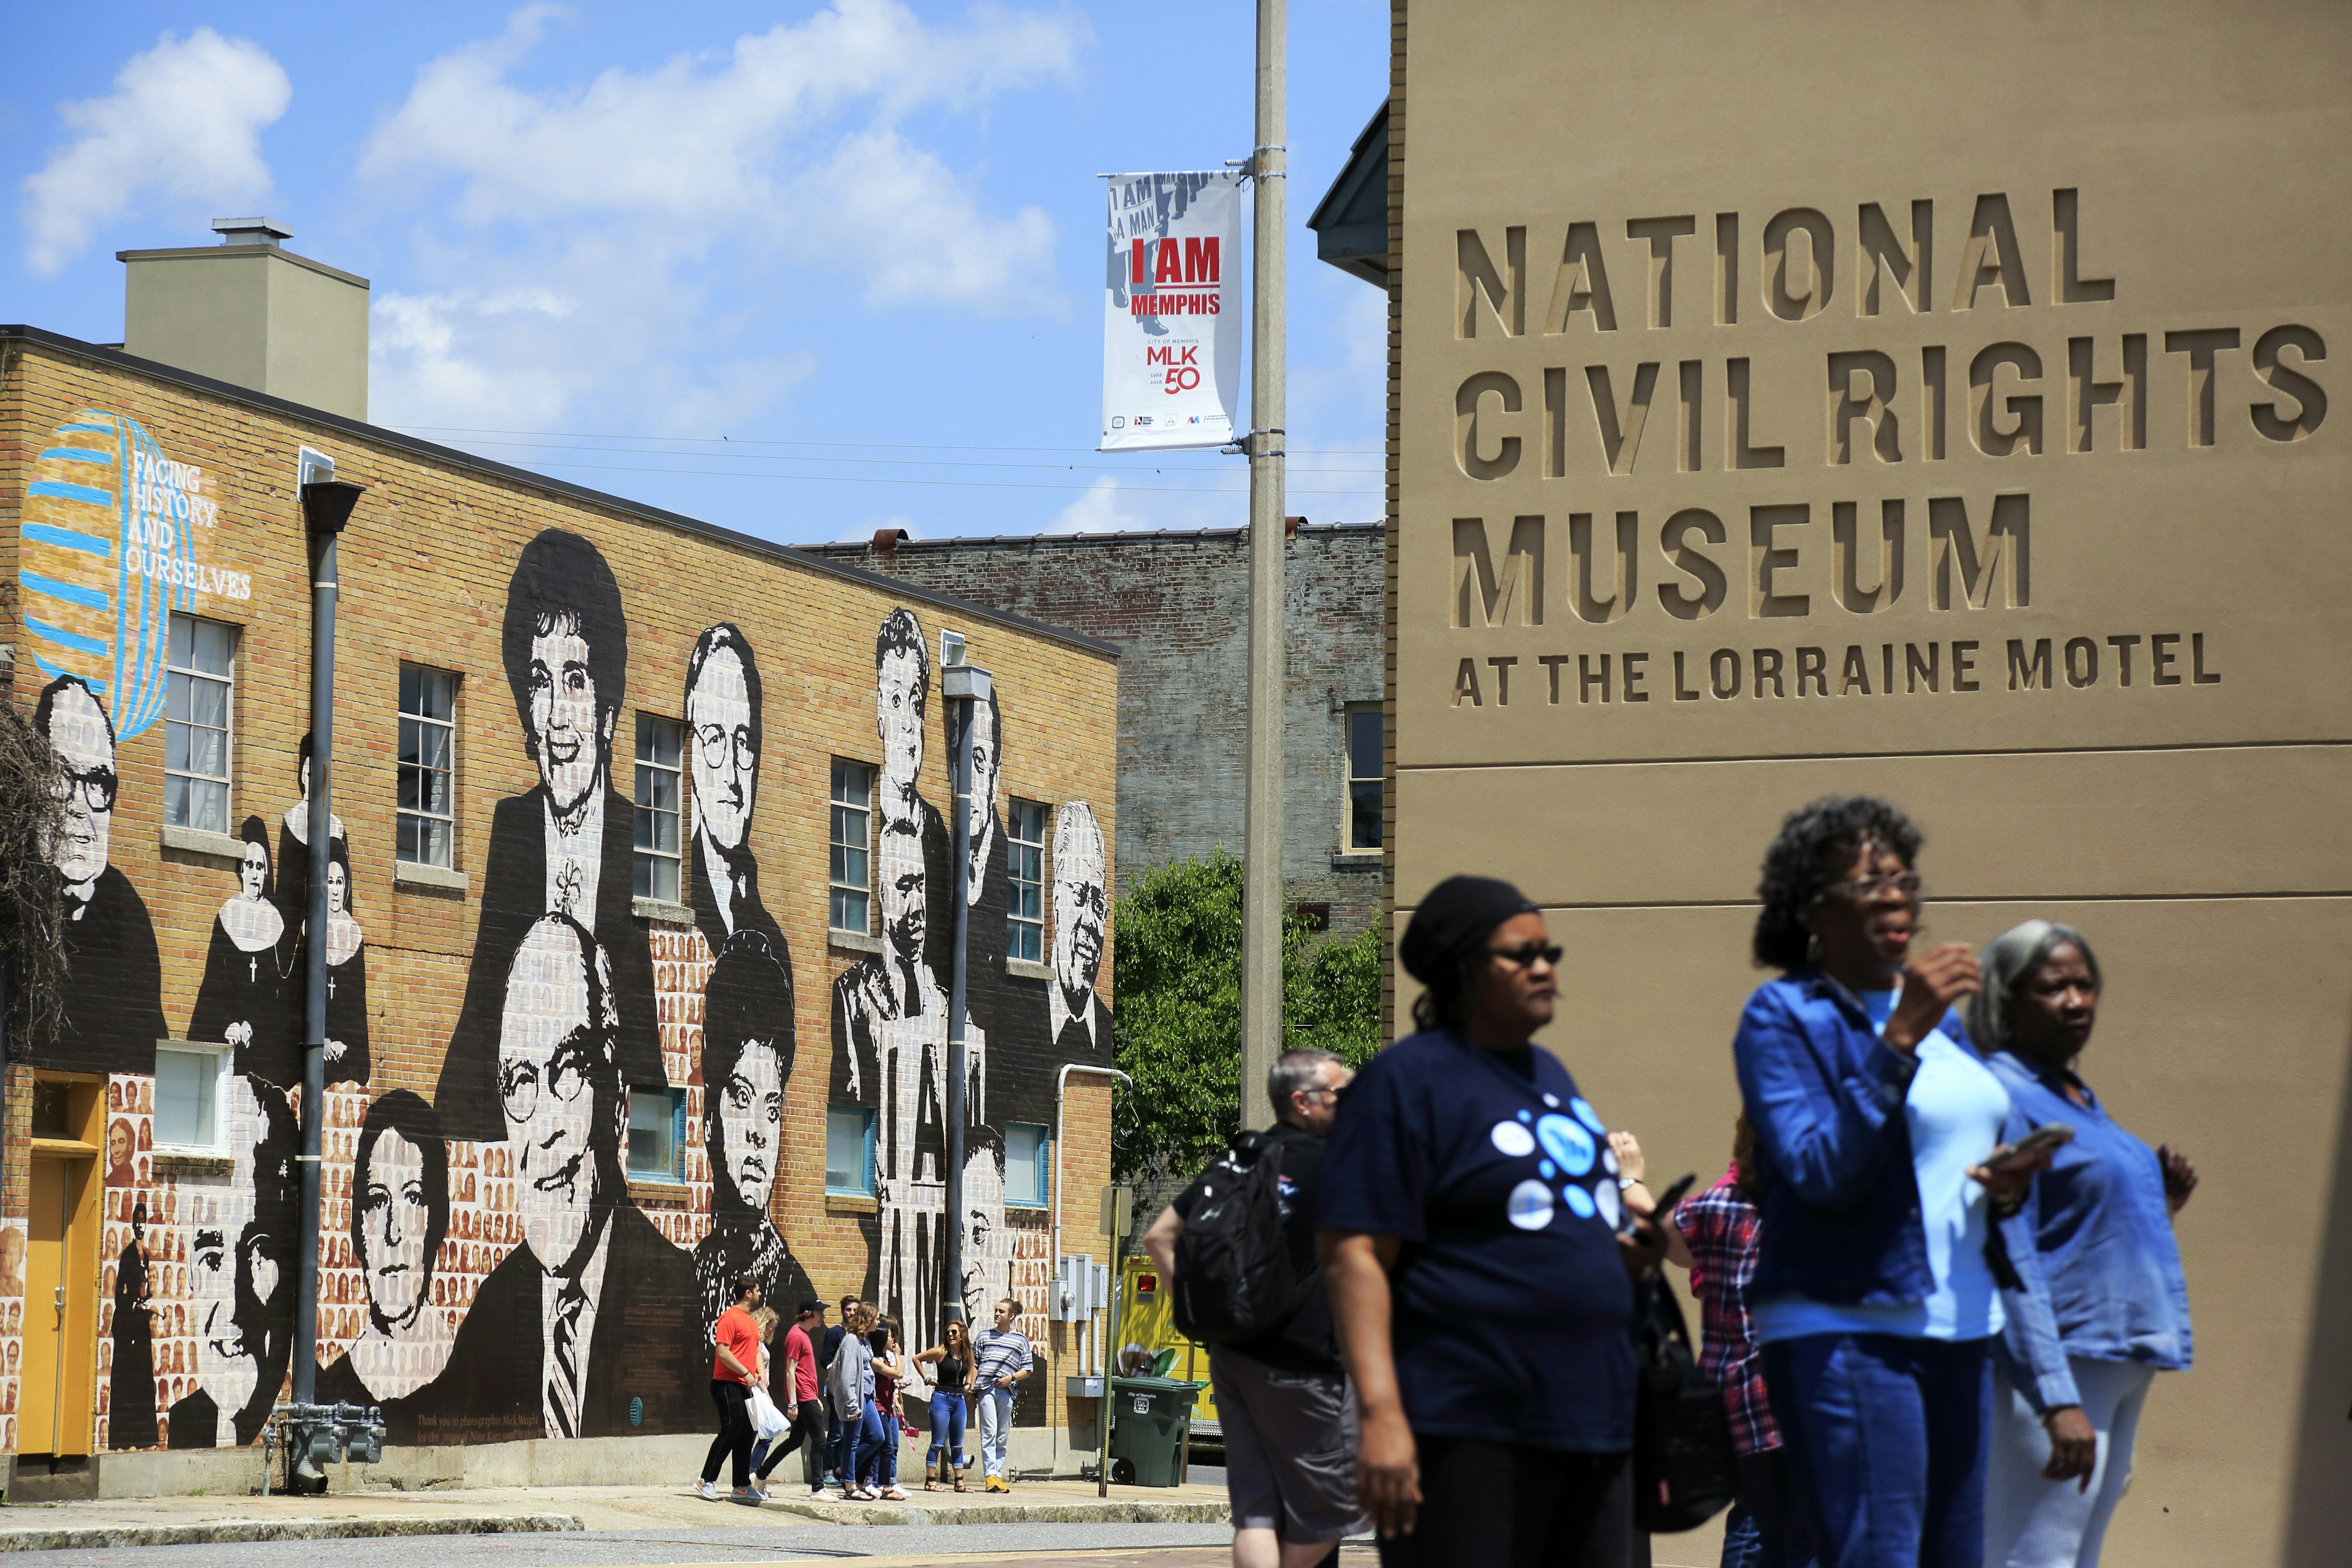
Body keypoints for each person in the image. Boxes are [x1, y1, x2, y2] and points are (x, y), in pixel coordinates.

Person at [1731, 797, 2075, 1568]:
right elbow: (1819, 1170)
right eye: (1865, 882)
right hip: (1847, 1326)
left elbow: (1941, 1167)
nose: (1893, 895)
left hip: (1959, 1324)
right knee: (1877, 1555)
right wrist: (1898, 1039)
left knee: (1955, 1556)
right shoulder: (1784, 1016)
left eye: (1901, 877)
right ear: (1811, 909)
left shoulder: (1947, 1025)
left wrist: (2006, 1182)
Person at [1318, 874, 1671, 1567]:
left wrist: (1621, 1256)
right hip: (1468, 1424)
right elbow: (1354, 1253)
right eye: (1521, 954)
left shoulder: (1553, 1075)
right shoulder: (1407, 1080)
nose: (1545, 967)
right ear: (1461, 971)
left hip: (1593, 1419)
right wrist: (1383, 1417)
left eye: (1549, 951)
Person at [418, 914, 699, 1442]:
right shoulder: (491, 1311)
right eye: (520, 1083)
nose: (544, 1131)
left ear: (616, 1097)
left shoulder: (680, 1290)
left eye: (569, 1069)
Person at [1969, 921, 2197, 1568]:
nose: (2076, 1000)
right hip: (2058, 1365)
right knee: (2031, 1557)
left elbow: (2077, 1232)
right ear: (2003, 1001)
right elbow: (2004, 1246)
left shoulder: (2075, 1097)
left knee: (2077, 1557)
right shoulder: (2004, 1095)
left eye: (2085, 984)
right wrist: (2054, 1395)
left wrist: (2161, 1206)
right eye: (2052, 987)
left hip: (2117, 1357)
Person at [437, 528, 662, 1142]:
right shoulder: (512, 826)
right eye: (540, 679)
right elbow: (480, 1016)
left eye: (576, 678)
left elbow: (648, 1049)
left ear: (609, 711)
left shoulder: (636, 836)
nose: (559, 712)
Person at [1144, 1048, 1366, 1568]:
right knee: (1338, 1506)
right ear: (1303, 1102)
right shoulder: (1333, 1163)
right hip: (1304, 1363)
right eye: (1343, 1094)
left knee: (1258, 1513)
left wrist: (1213, 1316)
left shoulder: (1236, 1159)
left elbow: (1159, 1237)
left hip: (1233, 1357)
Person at [1649, 1115, 1811, 1568]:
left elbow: (1661, 1240)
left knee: (1752, 1522)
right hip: (1797, 1394)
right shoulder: (1813, 1211)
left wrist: (1630, 1180)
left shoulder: (1713, 1207)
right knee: (1809, 1534)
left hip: (1735, 1401)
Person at [33, 674, 167, 1078]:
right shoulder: (17, 894)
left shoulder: (129, 914)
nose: (79, 807)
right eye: (61, 777)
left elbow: (146, 1055)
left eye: (98, 783)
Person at [692, 931, 816, 1343]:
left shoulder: (796, 1288)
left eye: (773, 1108)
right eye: (743, 1098)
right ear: (711, 1118)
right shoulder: (688, 1279)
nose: (760, 1133)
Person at [168, 1074, 300, 1448]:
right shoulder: (179, 1425)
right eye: (211, 1258)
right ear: (190, 1276)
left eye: (259, 1256)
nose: (232, 1309)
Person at [315, 1090, 453, 1441]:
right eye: (378, 1201)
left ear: (436, 1219)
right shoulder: (329, 1389)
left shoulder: (467, 1365)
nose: (394, 1231)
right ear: (358, 1227)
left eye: (413, 1198)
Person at [683, 624, 788, 954]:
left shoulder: (774, 944)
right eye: (714, 739)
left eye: (743, 742)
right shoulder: (675, 900)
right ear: (691, 755)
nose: (731, 773)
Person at [187, 817, 298, 1086]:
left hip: (264, 1043)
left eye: (261, 867)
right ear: (241, 870)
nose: (255, 874)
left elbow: (280, 994)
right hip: (229, 1035)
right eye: (249, 866)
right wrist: (227, 1025)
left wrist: (253, 1026)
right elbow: (214, 984)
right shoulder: (226, 916)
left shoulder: (277, 923)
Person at [1047, 802, 1112, 1063]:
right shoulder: (1011, 1015)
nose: (1090, 920)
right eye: (1079, 896)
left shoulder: (1108, 1029)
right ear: (1056, 905)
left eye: (1098, 904)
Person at [696, 1275, 766, 1504]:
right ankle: (705, 1479)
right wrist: (745, 1372)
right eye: (757, 1290)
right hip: (726, 1384)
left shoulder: (751, 1321)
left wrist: (759, 1374)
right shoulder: (729, 1318)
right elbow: (723, 1351)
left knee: (747, 1432)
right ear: (748, 1293)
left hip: (746, 1385)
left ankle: (741, 1486)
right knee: (732, 1428)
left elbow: (755, 1351)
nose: (759, 1294)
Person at [755, 1298, 831, 1495]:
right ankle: (818, 1489)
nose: (822, 1316)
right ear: (808, 1313)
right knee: (819, 1441)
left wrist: (815, 1397)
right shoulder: (796, 1336)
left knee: (795, 1441)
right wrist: (793, 1404)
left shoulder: (803, 1334)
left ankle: (760, 1475)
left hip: (808, 1396)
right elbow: (791, 1371)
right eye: (819, 1312)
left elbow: (805, 1371)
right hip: (803, 1397)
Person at [318, 840, 371, 1086]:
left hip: (345, 1056)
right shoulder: (310, 930)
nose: (336, 890)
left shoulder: (355, 935)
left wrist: (345, 1043)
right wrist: (322, 1041)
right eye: (330, 882)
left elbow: (357, 1008)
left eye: (340, 882)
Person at [973, 1295, 1033, 1493]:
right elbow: (974, 1364)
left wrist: (1011, 1378)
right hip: (986, 1388)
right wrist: (971, 1387)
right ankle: (990, 1475)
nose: (997, 1314)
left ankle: (997, 1475)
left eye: (1002, 1311)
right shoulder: (984, 1337)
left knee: (1002, 1435)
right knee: (989, 1431)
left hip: (1007, 1390)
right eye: (996, 1310)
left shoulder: (1020, 1340)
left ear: (1012, 1315)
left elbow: (1028, 1369)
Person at [913, 1316, 974, 1491]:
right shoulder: (941, 1351)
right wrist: (926, 1378)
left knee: (957, 1444)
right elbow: (916, 1359)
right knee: (938, 1442)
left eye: (954, 1332)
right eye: (948, 1333)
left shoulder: (967, 1353)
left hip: (959, 1400)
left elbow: (973, 1368)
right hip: (942, 1398)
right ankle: (930, 1481)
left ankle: (959, 1483)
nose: (950, 1335)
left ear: (962, 1335)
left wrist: (969, 1384)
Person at [827, 1302, 880, 1499]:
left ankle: (845, 1470)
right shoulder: (850, 1341)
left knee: (877, 1436)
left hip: (867, 1396)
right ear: (867, 1319)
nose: (878, 1321)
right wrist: (851, 1403)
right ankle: (850, 1486)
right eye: (876, 1317)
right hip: (856, 1398)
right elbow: (848, 1376)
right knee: (851, 1440)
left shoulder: (864, 1339)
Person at [865, 1322, 912, 1500]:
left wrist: (895, 1401)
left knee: (888, 1447)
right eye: (890, 1336)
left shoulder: (884, 1358)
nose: (893, 1339)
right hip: (878, 1407)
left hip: (887, 1406)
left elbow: (890, 1383)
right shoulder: (877, 1359)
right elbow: (897, 1373)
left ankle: (885, 1484)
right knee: (884, 1447)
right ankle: (879, 1484)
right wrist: (898, 1355)